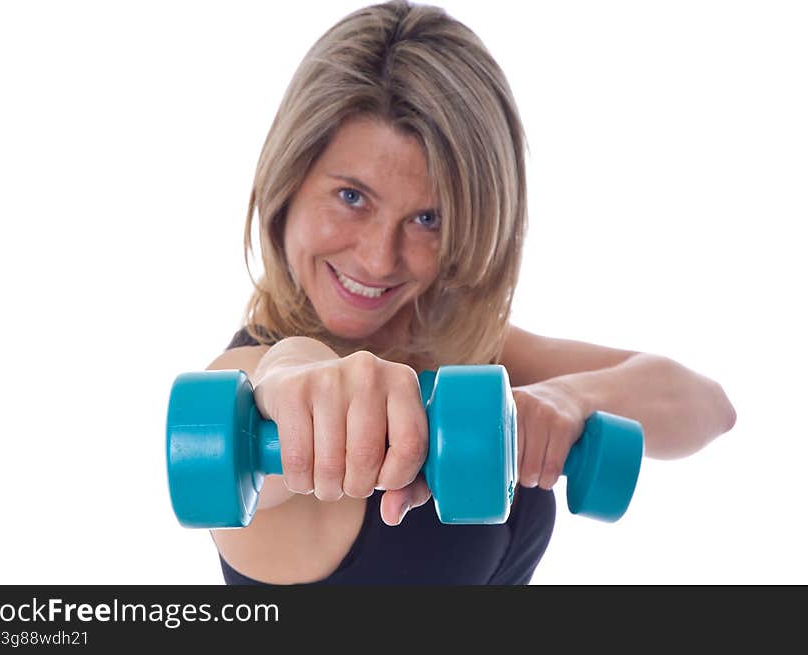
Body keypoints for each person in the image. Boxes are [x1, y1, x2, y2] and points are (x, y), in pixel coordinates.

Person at [202, 0, 737, 585]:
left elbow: (708, 406)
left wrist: (567, 401)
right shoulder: (249, 391)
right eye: (351, 197)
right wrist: (300, 388)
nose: (380, 257)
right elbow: (272, 381)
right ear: (288, 184)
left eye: (427, 219)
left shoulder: (447, 342)